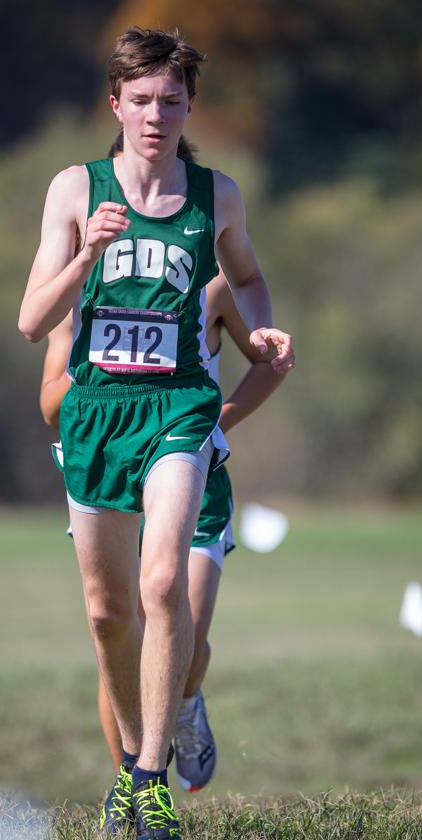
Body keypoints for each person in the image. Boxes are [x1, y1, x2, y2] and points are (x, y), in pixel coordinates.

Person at [20, 27, 294, 840]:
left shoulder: (219, 196)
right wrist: (87, 254)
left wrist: (266, 331)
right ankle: (128, 765)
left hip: (177, 405)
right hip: (97, 414)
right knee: (108, 616)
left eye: (171, 101)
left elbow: (246, 275)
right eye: (140, 101)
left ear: (188, 107)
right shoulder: (75, 189)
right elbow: (33, 321)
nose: (155, 115)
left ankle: (150, 781)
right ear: (115, 104)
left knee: (163, 579)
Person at [41, 264, 290, 792]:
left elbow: (269, 364)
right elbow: (47, 403)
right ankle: (135, 786)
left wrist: (202, 427)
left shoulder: (212, 278)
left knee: (186, 644)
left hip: (188, 471)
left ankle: (186, 702)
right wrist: (101, 372)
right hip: (109, 465)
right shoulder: (81, 277)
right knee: (119, 635)